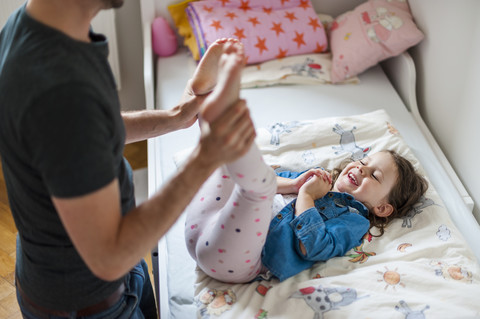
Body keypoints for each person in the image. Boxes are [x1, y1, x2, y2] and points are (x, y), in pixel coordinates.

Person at [0, 0, 255, 317]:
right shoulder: (61, 90)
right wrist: (207, 156)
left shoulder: (39, 25)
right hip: (86, 301)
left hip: (101, 274)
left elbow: (90, 126)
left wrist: (176, 116)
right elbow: (109, 258)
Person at [184, 40, 429, 284]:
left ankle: (218, 112)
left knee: (255, 183)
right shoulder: (316, 178)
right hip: (208, 224)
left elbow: (313, 247)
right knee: (228, 164)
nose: (361, 168)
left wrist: (306, 196)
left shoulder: (354, 220)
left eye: (374, 176)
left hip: (235, 259)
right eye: (364, 161)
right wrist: (294, 185)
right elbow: (267, 179)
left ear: (383, 208)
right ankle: (207, 104)